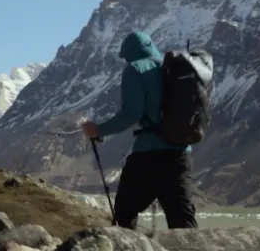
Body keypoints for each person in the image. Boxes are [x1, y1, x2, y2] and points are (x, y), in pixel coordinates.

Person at [81, 31, 198, 230]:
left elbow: (131, 114)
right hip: (181, 153)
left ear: (129, 53)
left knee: (125, 213)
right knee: (183, 220)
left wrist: (99, 130)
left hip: (149, 155)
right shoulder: (174, 67)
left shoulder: (135, 69)